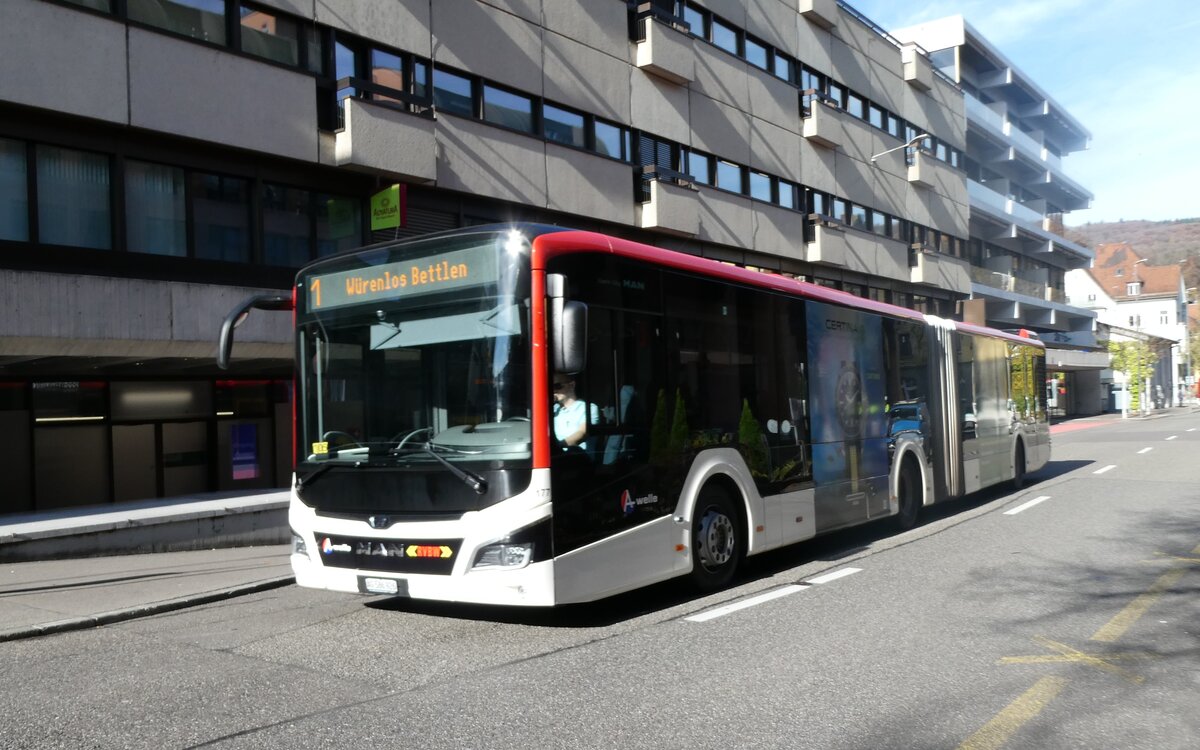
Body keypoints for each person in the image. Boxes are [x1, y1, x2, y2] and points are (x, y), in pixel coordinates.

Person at [552, 374, 597, 450]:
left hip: (578, 457)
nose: (554, 390)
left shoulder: (589, 408)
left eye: (557, 386)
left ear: (572, 385)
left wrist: (557, 447)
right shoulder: (553, 410)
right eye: (551, 387)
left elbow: (582, 433)